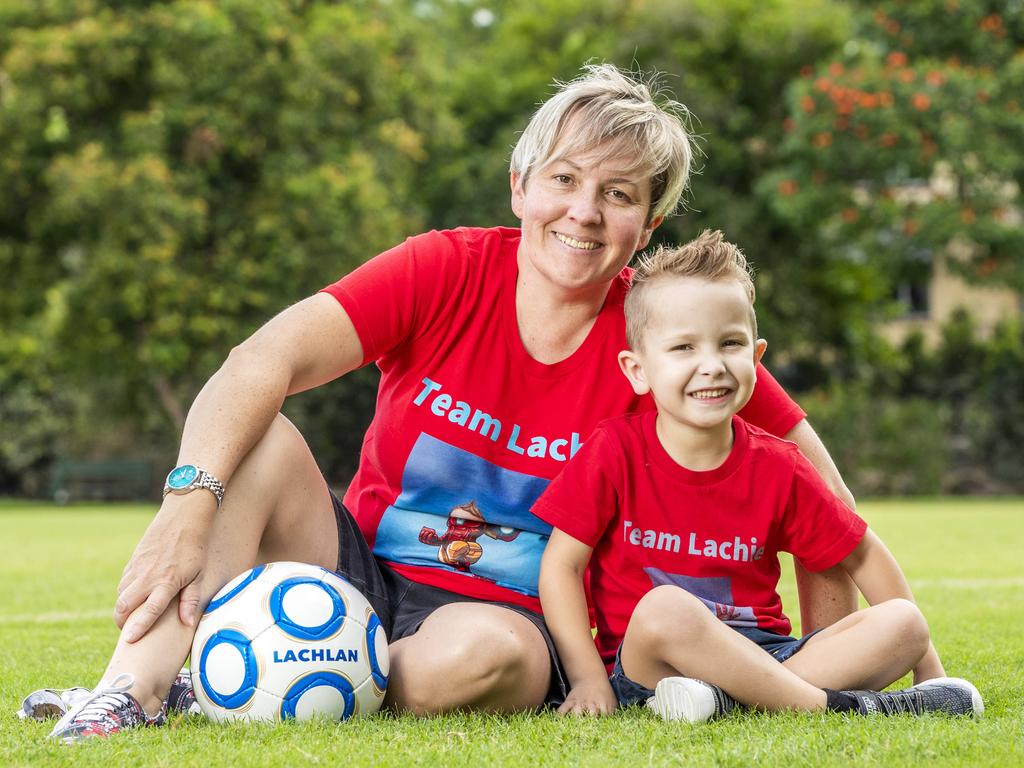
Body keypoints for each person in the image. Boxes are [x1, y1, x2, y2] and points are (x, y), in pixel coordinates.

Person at [38, 64, 858, 741]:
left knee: (486, 658)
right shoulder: (444, 270)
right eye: (564, 180)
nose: (583, 211)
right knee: (253, 440)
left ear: (648, 224)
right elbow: (260, 361)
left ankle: (245, 677)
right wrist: (188, 501)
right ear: (519, 188)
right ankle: (132, 692)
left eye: (618, 194)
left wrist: (815, 660)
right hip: (355, 570)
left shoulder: (665, 334)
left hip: (515, 620)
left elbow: (816, 497)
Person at [534, 230, 983, 721]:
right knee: (666, 606)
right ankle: (829, 707)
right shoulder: (613, 450)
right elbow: (561, 567)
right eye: (683, 347)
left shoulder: (780, 465)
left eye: (730, 344)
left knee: (903, 621)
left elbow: (865, 555)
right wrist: (586, 679)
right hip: (649, 666)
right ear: (637, 369)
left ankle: (730, 702)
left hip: (774, 654)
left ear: (756, 357)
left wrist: (930, 671)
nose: (711, 366)